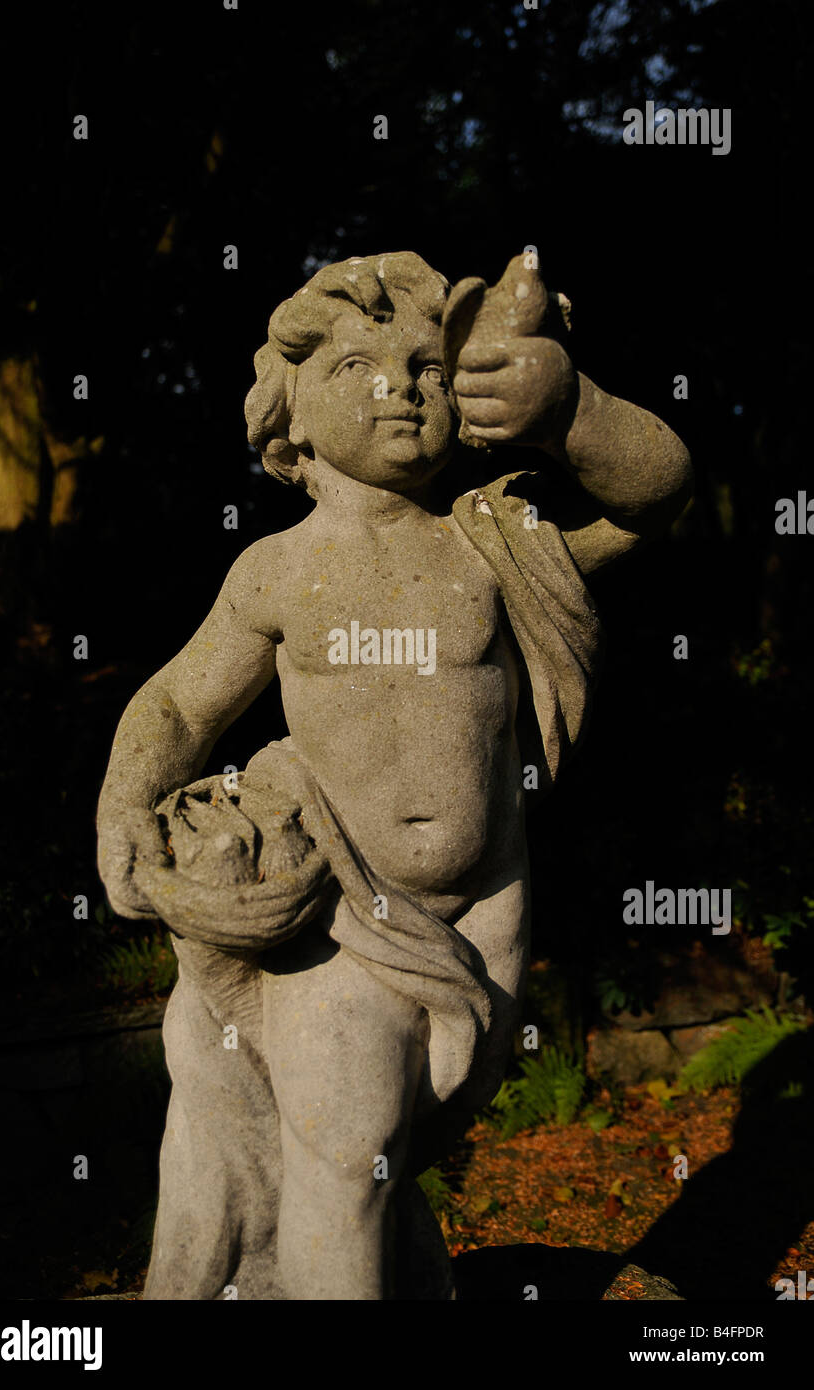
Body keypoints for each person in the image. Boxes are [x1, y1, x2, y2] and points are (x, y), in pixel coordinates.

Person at [97, 250, 691, 1299]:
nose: (400, 388)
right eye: (359, 369)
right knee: (345, 1150)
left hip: (484, 914)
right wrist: (122, 803)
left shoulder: (486, 545)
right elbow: (182, 701)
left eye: (425, 367)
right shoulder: (279, 570)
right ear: (288, 413)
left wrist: (572, 408)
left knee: (378, 1155)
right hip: (341, 908)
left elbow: (653, 497)